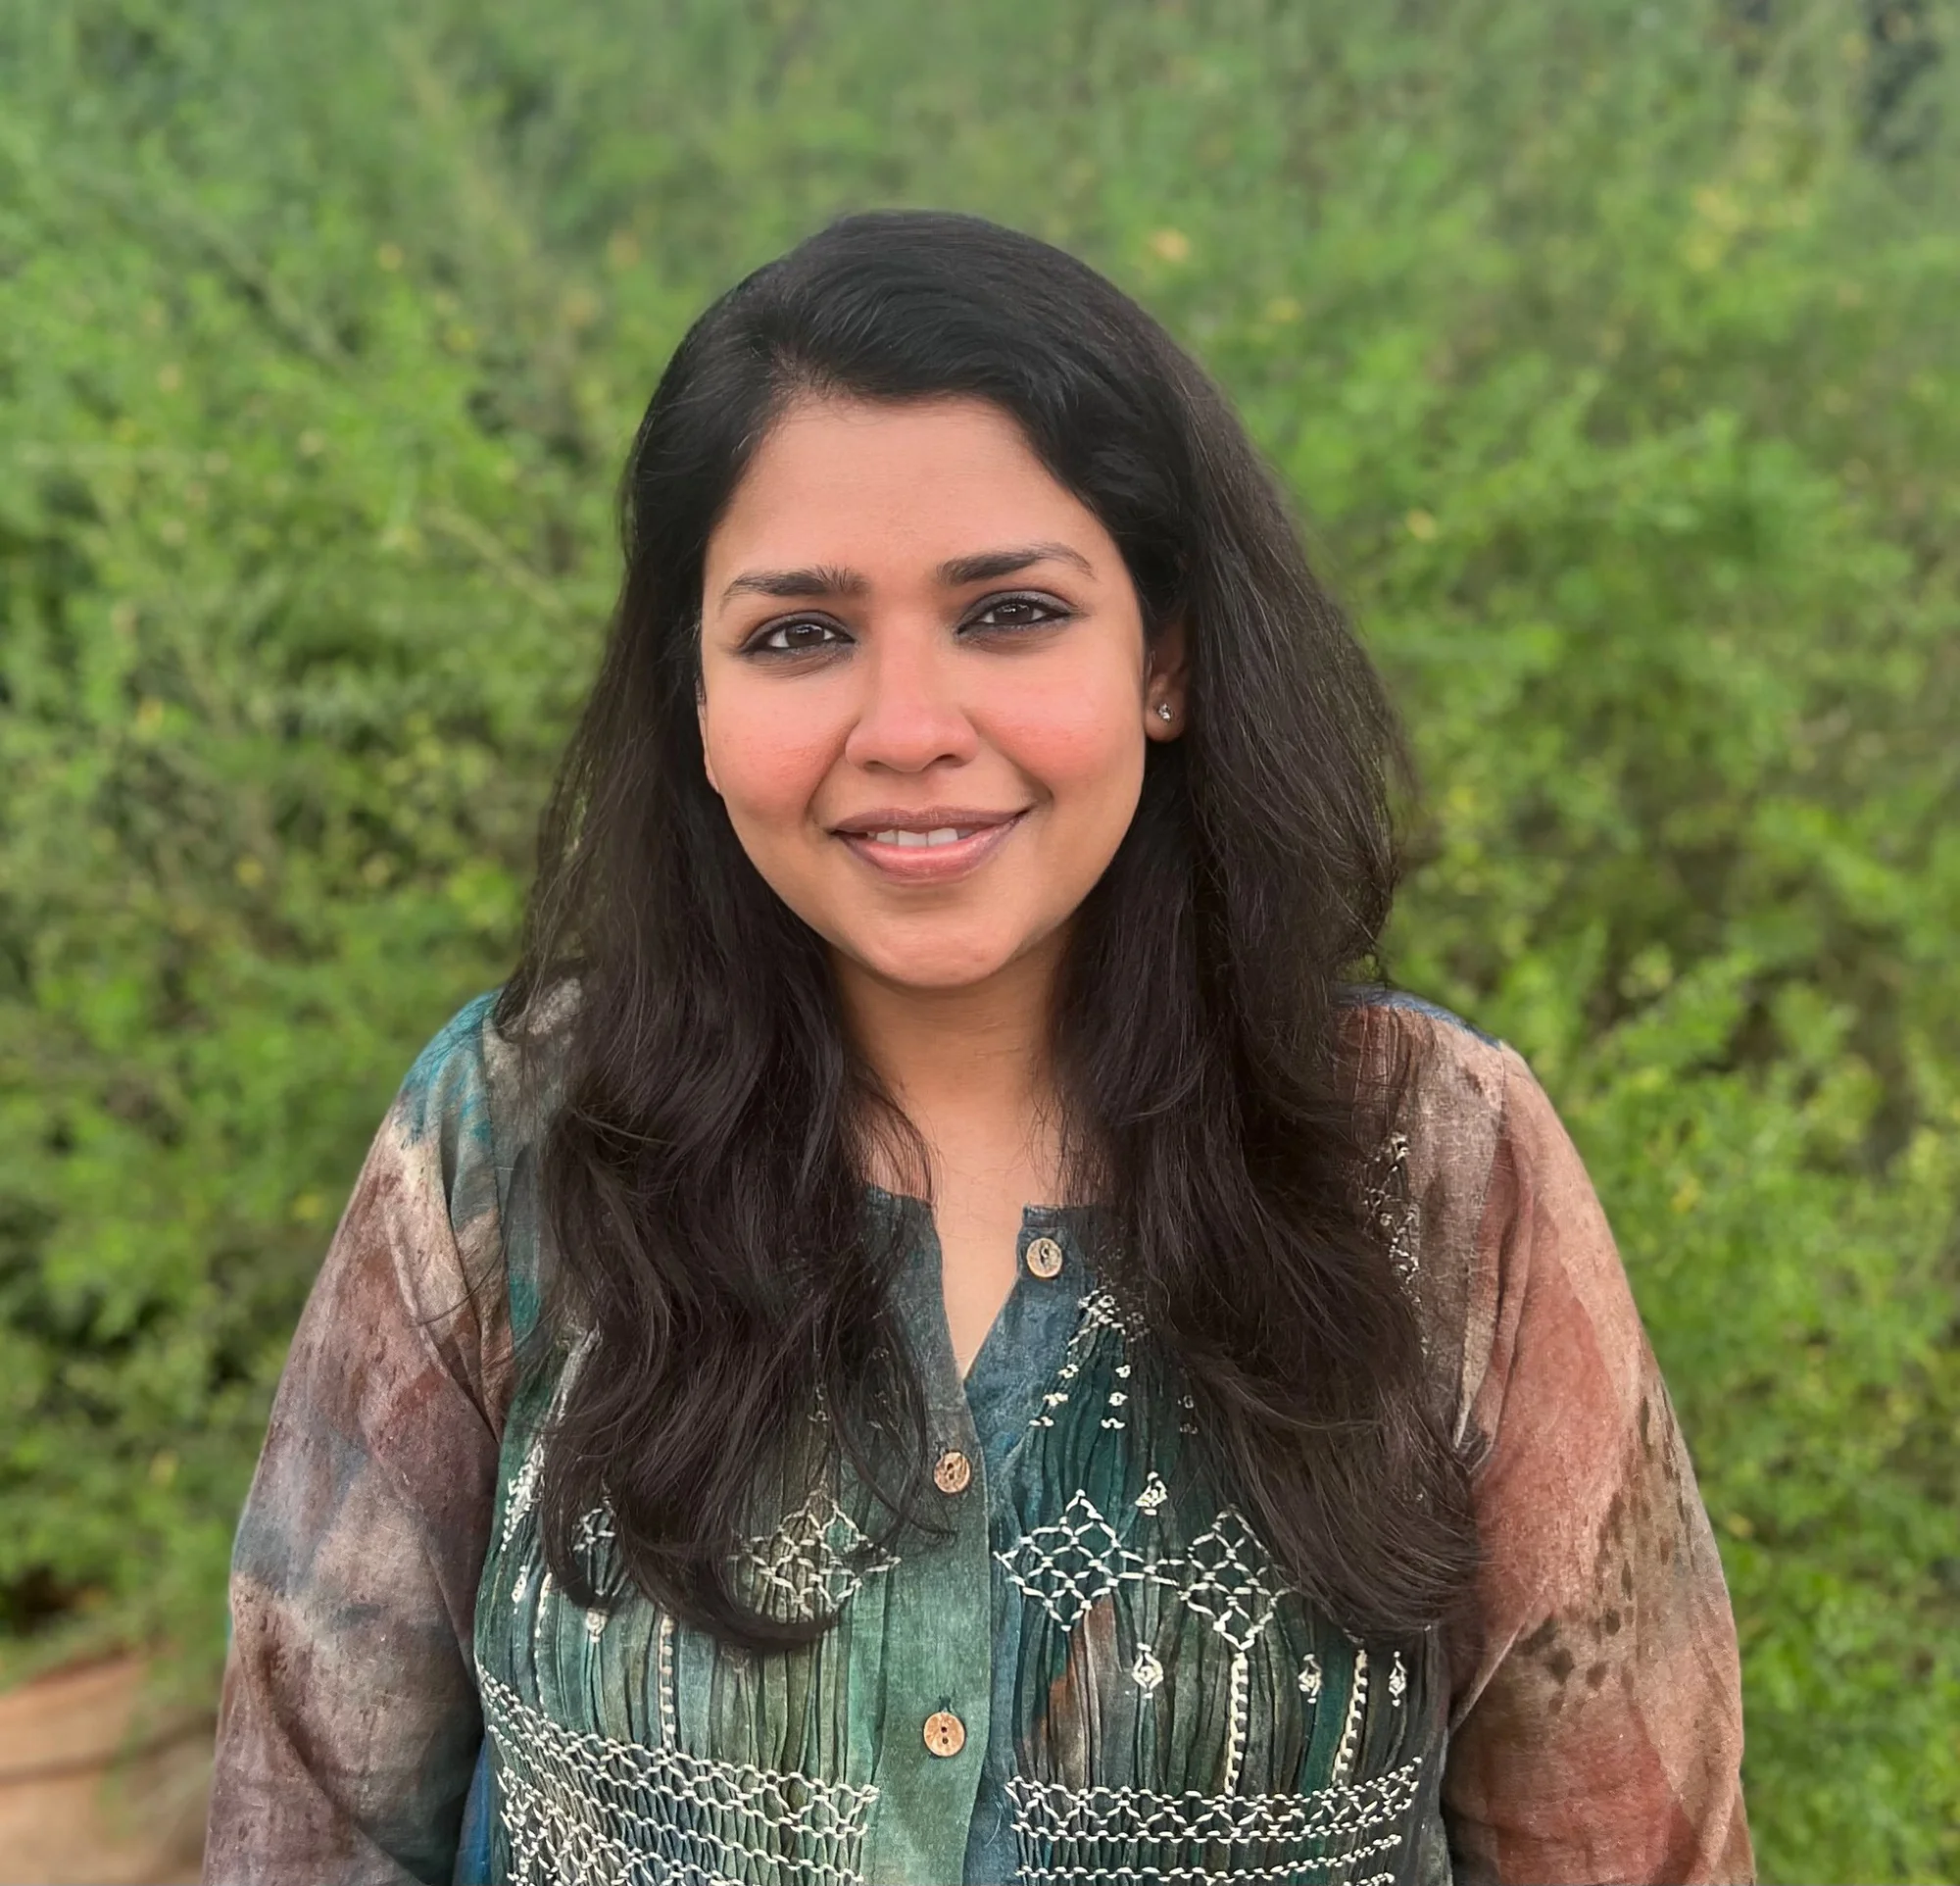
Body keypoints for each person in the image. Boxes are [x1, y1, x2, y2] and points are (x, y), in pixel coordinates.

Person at [202, 210, 1751, 1886]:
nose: (912, 730)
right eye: (799, 633)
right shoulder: (514, 1140)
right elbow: (308, 1825)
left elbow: (1631, 1846)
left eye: (1009, 613)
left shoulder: (1439, 1175)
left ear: (1162, 657)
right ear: (698, 698)